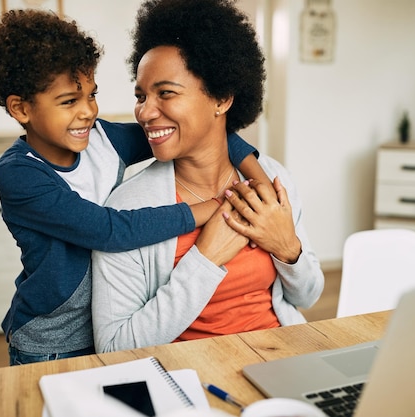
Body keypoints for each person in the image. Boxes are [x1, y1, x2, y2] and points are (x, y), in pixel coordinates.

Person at [0, 8, 270, 365]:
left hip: (111, 325)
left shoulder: (102, 140)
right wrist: (216, 206)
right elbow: (108, 230)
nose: (88, 112)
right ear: (21, 109)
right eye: (69, 101)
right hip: (52, 342)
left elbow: (200, 133)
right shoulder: (20, 174)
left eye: (91, 95)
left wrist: (257, 177)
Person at [92, 0, 324, 352]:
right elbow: (113, 348)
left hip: (282, 356)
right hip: (193, 377)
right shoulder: (128, 210)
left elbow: (307, 296)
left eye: (165, 93)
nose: (144, 112)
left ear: (222, 98)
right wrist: (204, 259)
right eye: (140, 96)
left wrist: (286, 248)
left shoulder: (271, 181)